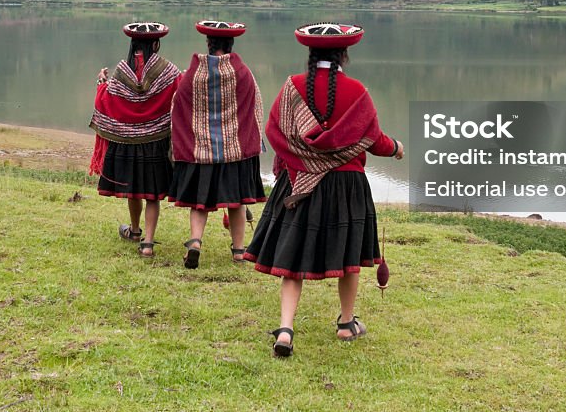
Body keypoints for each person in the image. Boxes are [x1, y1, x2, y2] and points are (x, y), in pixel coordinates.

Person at [244, 22, 404, 357]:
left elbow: (275, 133)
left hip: (299, 182)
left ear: (309, 54)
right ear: (344, 55)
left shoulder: (292, 88)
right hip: (346, 184)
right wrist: (396, 148)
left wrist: (299, 160)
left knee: (292, 258)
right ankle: (346, 324)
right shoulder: (357, 92)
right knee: (349, 257)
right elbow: (374, 139)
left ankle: (286, 329)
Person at [168, 20, 267, 268]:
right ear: (231, 45)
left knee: (199, 204)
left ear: (208, 45)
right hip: (234, 151)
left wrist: (185, 139)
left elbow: (178, 105)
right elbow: (255, 107)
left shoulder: (193, 74)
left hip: (201, 151)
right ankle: (239, 250)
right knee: (236, 202)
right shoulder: (243, 73)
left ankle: (195, 242)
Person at [89, 22, 181, 257]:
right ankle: (147, 243)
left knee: (133, 190)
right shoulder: (169, 72)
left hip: (128, 144)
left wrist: (101, 83)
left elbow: (107, 101)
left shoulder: (121, 71)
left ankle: (135, 230)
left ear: (132, 44)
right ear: (156, 44)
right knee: (152, 193)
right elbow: (181, 97)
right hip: (157, 141)